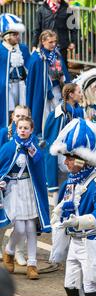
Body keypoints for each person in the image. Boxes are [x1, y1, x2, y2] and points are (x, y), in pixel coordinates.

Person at [50, 118, 96, 296]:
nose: (65, 162)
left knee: (91, 288)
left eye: (69, 157)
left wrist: (78, 221)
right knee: (71, 286)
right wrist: (58, 211)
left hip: (93, 242)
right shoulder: (73, 180)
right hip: (75, 241)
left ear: (82, 160)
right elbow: (70, 201)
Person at [1, 117, 51, 280]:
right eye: (20, 128)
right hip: (14, 190)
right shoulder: (9, 147)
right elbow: (3, 165)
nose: (22, 130)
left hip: (30, 190)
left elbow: (39, 167)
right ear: (16, 129)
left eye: (26, 128)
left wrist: (33, 152)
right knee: (20, 228)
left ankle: (32, 264)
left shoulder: (34, 148)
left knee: (30, 228)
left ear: (31, 130)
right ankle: (9, 251)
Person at [43, 83, 85, 202]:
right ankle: (59, 209)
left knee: (79, 173)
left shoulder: (78, 110)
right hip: (63, 154)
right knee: (72, 175)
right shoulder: (61, 112)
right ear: (71, 95)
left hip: (75, 151)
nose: (81, 95)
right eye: (79, 92)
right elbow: (51, 136)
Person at [27, 29, 71, 136]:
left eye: (55, 41)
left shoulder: (56, 54)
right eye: (50, 42)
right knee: (45, 116)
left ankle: (57, 134)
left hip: (57, 89)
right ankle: (44, 135)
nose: (53, 44)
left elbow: (63, 70)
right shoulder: (37, 57)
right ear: (43, 41)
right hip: (43, 92)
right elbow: (33, 80)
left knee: (59, 113)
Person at [0, 13, 30, 128]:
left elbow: (29, 67)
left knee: (22, 111)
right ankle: (8, 132)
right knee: (9, 111)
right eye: (14, 34)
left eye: (18, 34)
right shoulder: (1, 50)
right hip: (8, 87)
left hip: (21, 84)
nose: (18, 37)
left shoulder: (23, 48)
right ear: (6, 36)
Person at [32, 0, 78, 65]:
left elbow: (73, 27)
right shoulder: (41, 9)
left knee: (62, 67)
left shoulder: (67, 9)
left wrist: (73, 42)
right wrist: (34, 45)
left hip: (61, 45)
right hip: (45, 46)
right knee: (46, 67)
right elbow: (37, 29)